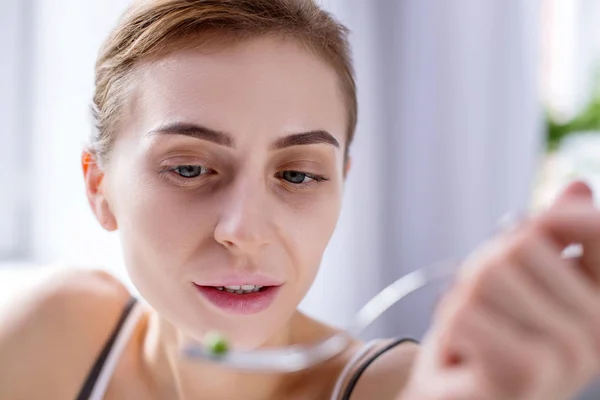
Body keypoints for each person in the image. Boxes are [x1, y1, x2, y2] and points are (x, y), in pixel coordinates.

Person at [1, 1, 600, 399]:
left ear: (342, 180)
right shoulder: (51, 333)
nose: (245, 230)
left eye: (297, 175)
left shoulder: (405, 389)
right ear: (98, 186)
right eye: (189, 167)